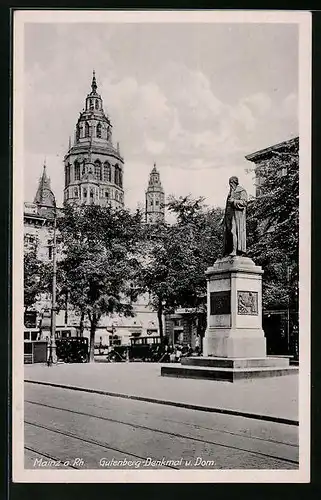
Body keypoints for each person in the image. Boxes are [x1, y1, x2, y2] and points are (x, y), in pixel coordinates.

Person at [223, 176, 247, 256]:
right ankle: (229, 250)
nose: (230, 185)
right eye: (229, 183)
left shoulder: (241, 191)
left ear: (235, 183)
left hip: (238, 215)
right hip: (229, 216)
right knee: (229, 233)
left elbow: (244, 202)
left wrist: (234, 201)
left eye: (231, 183)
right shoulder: (230, 193)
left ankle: (235, 250)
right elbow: (227, 207)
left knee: (234, 231)